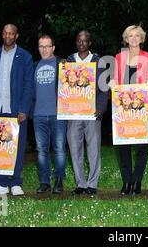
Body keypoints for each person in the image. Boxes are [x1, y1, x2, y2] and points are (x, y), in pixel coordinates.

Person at [0, 24, 33, 196]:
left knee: (17, 146)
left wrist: (24, 108)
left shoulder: (25, 56)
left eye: (11, 33)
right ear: (2, 34)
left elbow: (28, 85)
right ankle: (0, 184)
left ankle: (16, 182)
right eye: (5, 33)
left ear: (16, 35)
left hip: (16, 109)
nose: (8, 35)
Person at [112, 25, 148, 195]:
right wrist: (112, 83)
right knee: (123, 147)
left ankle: (137, 181)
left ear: (141, 38)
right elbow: (115, 80)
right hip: (123, 109)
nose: (134, 39)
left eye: (137, 36)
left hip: (142, 109)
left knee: (141, 147)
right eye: (130, 36)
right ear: (126, 39)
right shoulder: (118, 57)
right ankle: (126, 181)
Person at [66, 30, 108, 195]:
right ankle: (80, 183)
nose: (81, 43)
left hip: (92, 113)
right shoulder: (69, 61)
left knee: (94, 149)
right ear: (76, 42)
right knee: (75, 148)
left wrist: (101, 107)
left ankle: (92, 183)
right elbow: (63, 86)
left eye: (85, 41)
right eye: (79, 40)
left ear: (90, 43)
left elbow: (104, 88)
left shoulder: (99, 61)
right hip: (74, 113)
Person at [32, 34, 67, 194]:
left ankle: (59, 181)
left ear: (53, 47)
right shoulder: (34, 66)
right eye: (41, 46)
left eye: (47, 46)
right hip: (38, 115)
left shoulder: (63, 64)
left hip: (57, 114)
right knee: (41, 150)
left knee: (59, 149)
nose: (44, 49)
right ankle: (44, 182)